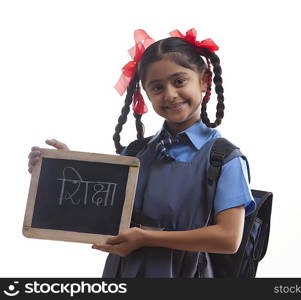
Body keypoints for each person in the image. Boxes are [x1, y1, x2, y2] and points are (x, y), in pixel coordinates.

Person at [27, 28, 256, 278]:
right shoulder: (136, 153)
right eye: (157, 88)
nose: (169, 94)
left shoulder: (223, 158)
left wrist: (146, 238)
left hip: (185, 274)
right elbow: (100, 206)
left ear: (203, 80)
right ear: (145, 95)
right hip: (123, 272)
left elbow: (228, 238)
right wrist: (62, 168)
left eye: (179, 81)